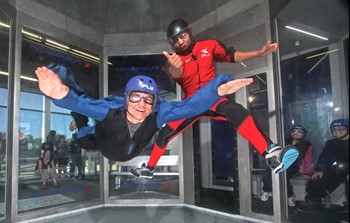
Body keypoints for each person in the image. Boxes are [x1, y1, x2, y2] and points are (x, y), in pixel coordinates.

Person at [131, 19, 299, 178]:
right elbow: (176, 73)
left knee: (237, 111)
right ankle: (149, 169)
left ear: (189, 31)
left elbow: (231, 55)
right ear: (171, 44)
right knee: (165, 133)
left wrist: (260, 53)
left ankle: (271, 154)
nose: (180, 42)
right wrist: (175, 68)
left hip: (213, 98)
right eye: (175, 41)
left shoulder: (209, 46)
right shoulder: (173, 61)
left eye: (182, 36)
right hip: (191, 104)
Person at [34, 63, 253, 163]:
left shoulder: (159, 113)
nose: (142, 105)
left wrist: (217, 89)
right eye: (136, 97)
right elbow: (80, 104)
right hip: (98, 141)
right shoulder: (110, 110)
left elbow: (191, 107)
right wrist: (60, 93)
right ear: (126, 98)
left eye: (148, 99)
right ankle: (69, 87)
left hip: (128, 151)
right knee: (81, 133)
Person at [300, 119, 349, 222]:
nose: (338, 131)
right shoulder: (331, 143)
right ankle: (314, 204)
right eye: (334, 129)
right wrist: (321, 170)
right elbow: (325, 158)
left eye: (341, 128)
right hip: (339, 169)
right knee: (315, 180)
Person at [260, 125, 314, 207]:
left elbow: (308, 159)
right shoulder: (284, 141)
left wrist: (307, 172)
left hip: (296, 167)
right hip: (283, 163)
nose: (296, 133)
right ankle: (267, 190)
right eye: (294, 131)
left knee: (283, 174)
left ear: (303, 134)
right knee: (268, 172)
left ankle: (289, 195)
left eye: (299, 132)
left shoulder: (307, 145)